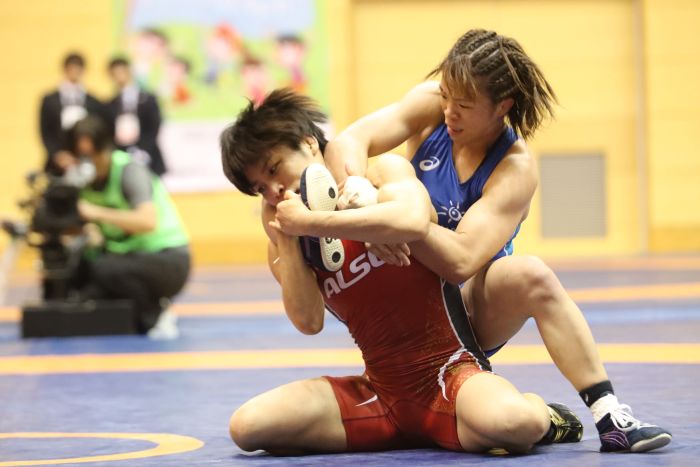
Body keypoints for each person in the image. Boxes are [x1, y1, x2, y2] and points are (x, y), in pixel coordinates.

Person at [323, 29, 671, 453]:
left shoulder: (514, 168)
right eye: (447, 96)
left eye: (465, 106)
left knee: (529, 274)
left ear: (501, 106)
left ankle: (608, 414)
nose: (449, 112)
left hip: (463, 308)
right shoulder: (433, 106)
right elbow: (347, 142)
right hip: (401, 299)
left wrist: (394, 222)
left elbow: (460, 261)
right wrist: (359, 196)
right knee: (380, 175)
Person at [220, 89, 583, 456]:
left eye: (274, 169)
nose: (274, 190)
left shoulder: (379, 175)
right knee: (247, 427)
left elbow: (415, 218)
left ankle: (545, 414)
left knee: (517, 423)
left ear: (308, 143)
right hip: (380, 392)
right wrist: (286, 240)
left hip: (449, 374)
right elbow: (309, 322)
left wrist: (332, 221)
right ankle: (438, 430)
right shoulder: (291, 243)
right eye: (260, 189)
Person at [61, 116, 189, 339]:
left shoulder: (129, 170)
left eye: (92, 155)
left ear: (106, 148)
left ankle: (157, 313)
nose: (88, 162)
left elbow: (147, 222)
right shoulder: (82, 182)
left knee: (105, 268)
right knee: (83, 274)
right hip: (130, 257)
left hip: (168, 259)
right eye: (81, 156)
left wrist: (95, 213)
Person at [39, 52, 109, 175]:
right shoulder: (50, 100)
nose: (74, 72)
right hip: (58, 160)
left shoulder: (93, 102)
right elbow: (45, 131)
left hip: (87, 159)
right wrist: (58, 154)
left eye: (78, 68)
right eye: (71, 68)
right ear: (65, 69)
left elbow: (100, 131)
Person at [107, 57, 167, 177]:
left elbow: (155, 125)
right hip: (122, 156)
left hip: (149, 156)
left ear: (129, 71)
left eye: (122, 71)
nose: (119, 76)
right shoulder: (111, 103)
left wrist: (143, 150)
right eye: (115, 73)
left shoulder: (148, 99)